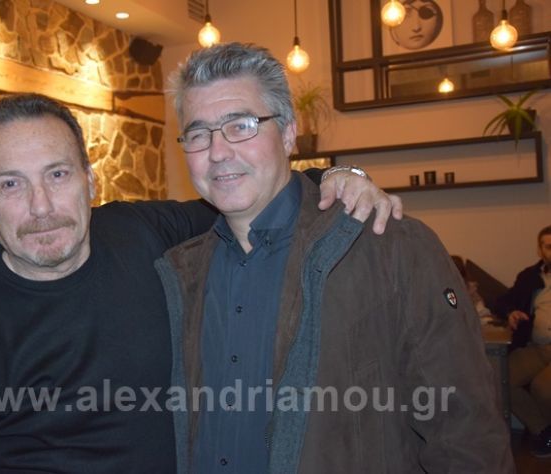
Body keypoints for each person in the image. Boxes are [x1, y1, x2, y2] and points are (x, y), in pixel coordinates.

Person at [0, 93, 401, 473]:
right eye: (11, 184)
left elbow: (248, 195)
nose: (41, 206)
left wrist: (337, 176)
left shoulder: (138, 232)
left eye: (57, 175)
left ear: (90, 180)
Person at [156, 42, 513, 473]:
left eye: (241, 126)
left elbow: (465, 434)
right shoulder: (181, 272)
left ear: (288, 132)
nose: (217, 151)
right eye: (198, 134)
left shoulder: (390, 247)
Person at [494, 224, 551, 458]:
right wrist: (511, 312)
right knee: (499, 379)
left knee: (542, 389)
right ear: (540, 250)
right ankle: (544, 431)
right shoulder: (529, 277)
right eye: (548, 247)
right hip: (537, 347)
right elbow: (502, 301)